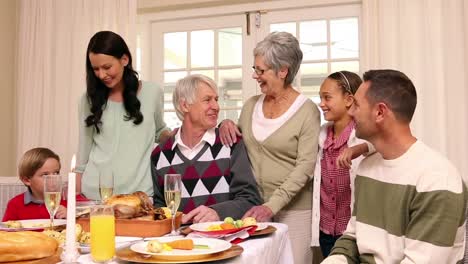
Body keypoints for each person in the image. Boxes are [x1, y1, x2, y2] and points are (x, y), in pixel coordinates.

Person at [322, 69, 467, 263]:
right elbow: (354, 236)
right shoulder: (367, 167)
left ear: (380, 112)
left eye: (356, 104)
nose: (350, 111)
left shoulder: (438, 180)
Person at [219, 31, 320, 263]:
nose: (256, 76)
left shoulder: (307, 111)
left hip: (294, 212)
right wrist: (226, 123)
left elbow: (305, 167)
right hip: (253, 208)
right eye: (255, 69)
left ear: (283, 71)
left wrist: (271, 206)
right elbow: (240, 142)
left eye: (261, 70)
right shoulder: (250, 105)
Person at [151, 74, 263, 224]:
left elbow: (250, 199)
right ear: (185, 105)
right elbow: (159, 208)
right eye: (207, 100)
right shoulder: (160, 155)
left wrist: (217, 212)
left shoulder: (230, 143)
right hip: (180, 244)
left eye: (216, 99)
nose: (216, 106)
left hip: (225, 242)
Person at [76, 31, 172, 200]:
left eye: (107, 67)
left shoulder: (152, 93)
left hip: (140, 194)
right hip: (96, 194)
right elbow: (84, 147)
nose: (101, 75)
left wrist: (183, 133)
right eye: (95, 69)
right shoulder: (88, 99)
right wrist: (76, 194)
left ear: (124, 60)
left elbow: (159, 131)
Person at [311, 71, 374, 259]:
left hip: (352, 232)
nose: (321, 104)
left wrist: (359, 148)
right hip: (326, 232)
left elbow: (381, 143)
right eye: (320, 98)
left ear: (348, 99)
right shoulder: (321, 135)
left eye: (327, 98)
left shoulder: (362, 133)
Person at [3, 148, 67, 221]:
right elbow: (6, 230)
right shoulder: (15, 204)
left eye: (56, 173)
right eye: (45, 175)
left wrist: (71, 217)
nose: (53, 178)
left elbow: (80, 228)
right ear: (26, 180)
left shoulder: (66, 201)